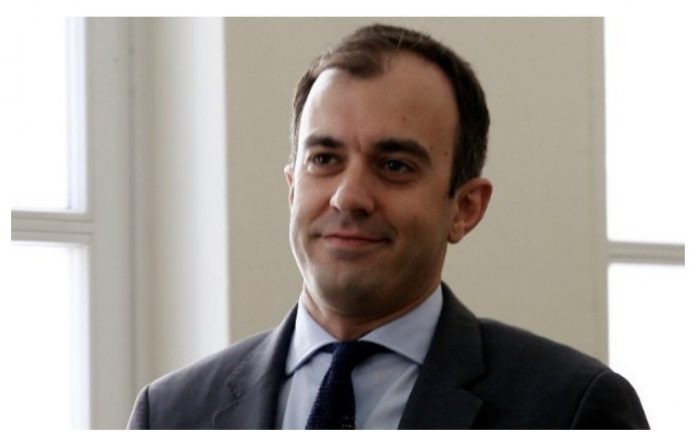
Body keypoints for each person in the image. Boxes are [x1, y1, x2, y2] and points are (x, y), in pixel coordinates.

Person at [127, 23, 649, 429]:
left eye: (395, 165)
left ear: (466, 208)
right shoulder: (170, 414)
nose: (348, 196)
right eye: (324, 159)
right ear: (291, 187)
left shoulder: (570, 409)